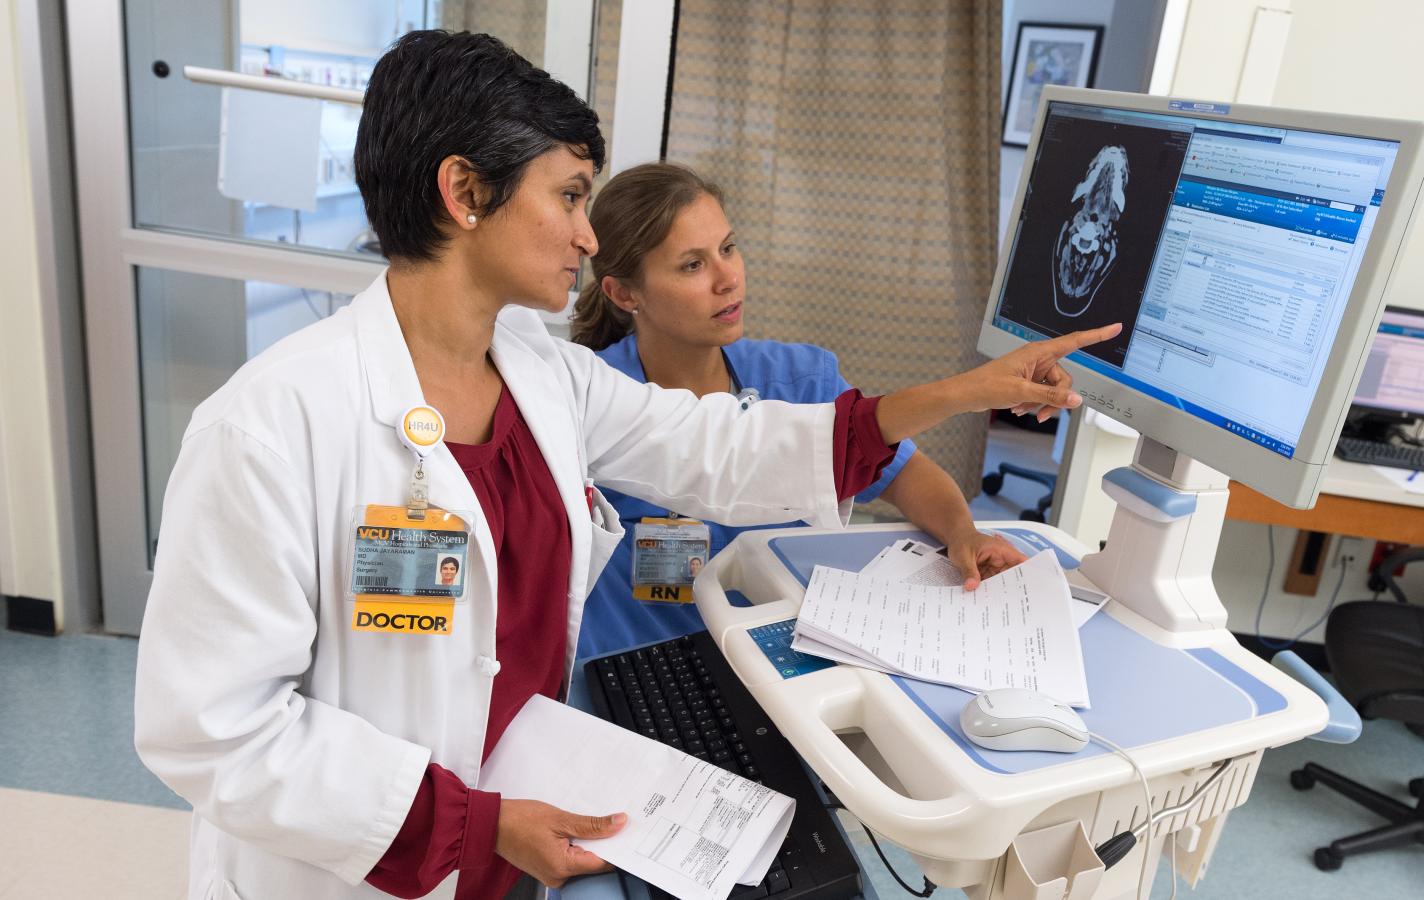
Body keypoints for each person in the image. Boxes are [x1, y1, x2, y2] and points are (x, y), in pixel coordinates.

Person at [132, 30, 1118, 900]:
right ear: (464, 193)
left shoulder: (544, 377)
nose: (586, 233)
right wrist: (477, 824)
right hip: (374, 860)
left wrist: (958, 391)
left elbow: (722, 448)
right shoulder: (268, 430)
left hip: (524, 801)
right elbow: (211, 731)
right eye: (566, 197)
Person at [571, 163, 1028, 660]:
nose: (729, 279)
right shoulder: (587, 399)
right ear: (623, 292)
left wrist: (964, 534)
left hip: (782, 654)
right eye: (692, 265)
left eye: (728, 248)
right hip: (642, 666)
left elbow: (903, 472)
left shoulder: (798, 377)